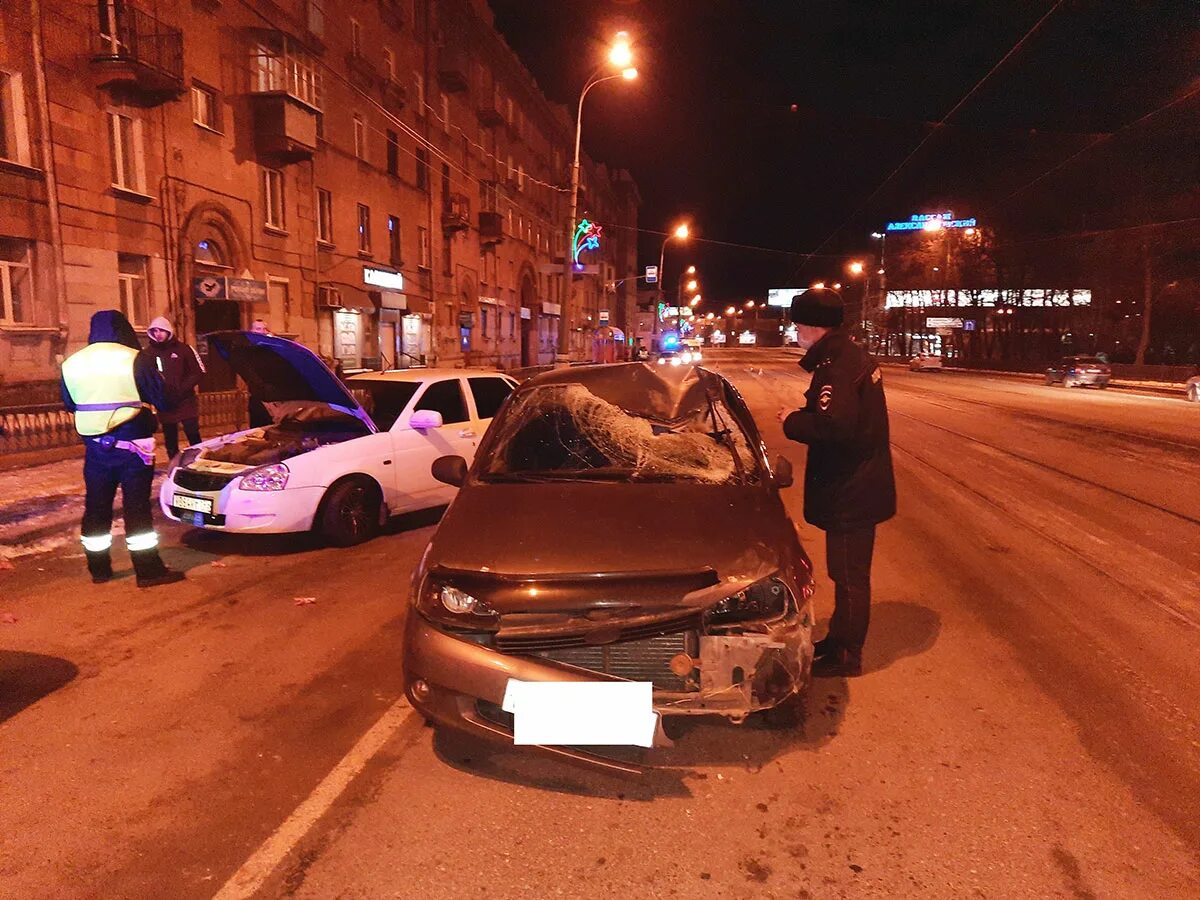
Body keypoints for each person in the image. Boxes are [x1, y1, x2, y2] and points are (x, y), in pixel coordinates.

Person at [777, 288, 896, 677]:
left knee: (849, 576)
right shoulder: (847, 357)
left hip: (852, 489)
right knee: (847, 574)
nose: (795, 331)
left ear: (814, 326)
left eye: (798, 324)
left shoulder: (837, 366)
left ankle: (848, 655)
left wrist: (791, 420)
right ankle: (839, 641)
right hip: (858, 484)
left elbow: (835, 426)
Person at [60, 310, 185, 588]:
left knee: (96, 507)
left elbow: (70, 404)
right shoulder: (134, 358)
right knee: (137, 508)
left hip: (95, 448)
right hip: (132, 446)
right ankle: (148, 571)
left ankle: (99, 569)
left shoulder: (72, 363)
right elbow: (162, 399)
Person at [145, 316, 205, 460]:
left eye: (161, 330)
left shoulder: (184, 349)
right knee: (170, 438)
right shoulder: (148, 353)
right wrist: (157, 394)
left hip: (185, 402)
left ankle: (199, 461)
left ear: (168, 331)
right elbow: (146, 376)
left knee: (192, 434)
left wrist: (181, 390)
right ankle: (173, 464)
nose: (158, 334)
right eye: (154, 331)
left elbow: (198, 372)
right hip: (165, 404)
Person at [247, 319, 272, 428]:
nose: (261, 331)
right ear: (252, 331)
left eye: (263, 329)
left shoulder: (270, 349)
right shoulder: (248, 350)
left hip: (272, 399)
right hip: (257, 398)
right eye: (258, 329)